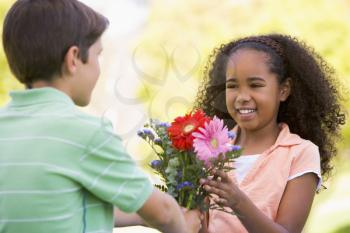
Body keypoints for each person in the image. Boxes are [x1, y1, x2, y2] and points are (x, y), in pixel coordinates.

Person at [0, 1, 201, 233]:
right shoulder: (86, 132)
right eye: (98, 55)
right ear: (73, 58)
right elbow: (165, 213)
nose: (99, 67)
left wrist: (142, 217)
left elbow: (56, 206)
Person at [194, 34, 346, 233]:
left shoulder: (300, 153)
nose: (242, 97)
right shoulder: (212, 148)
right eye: (232, 86)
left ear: (283, 90)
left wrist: (237, 201)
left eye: (255, 85)